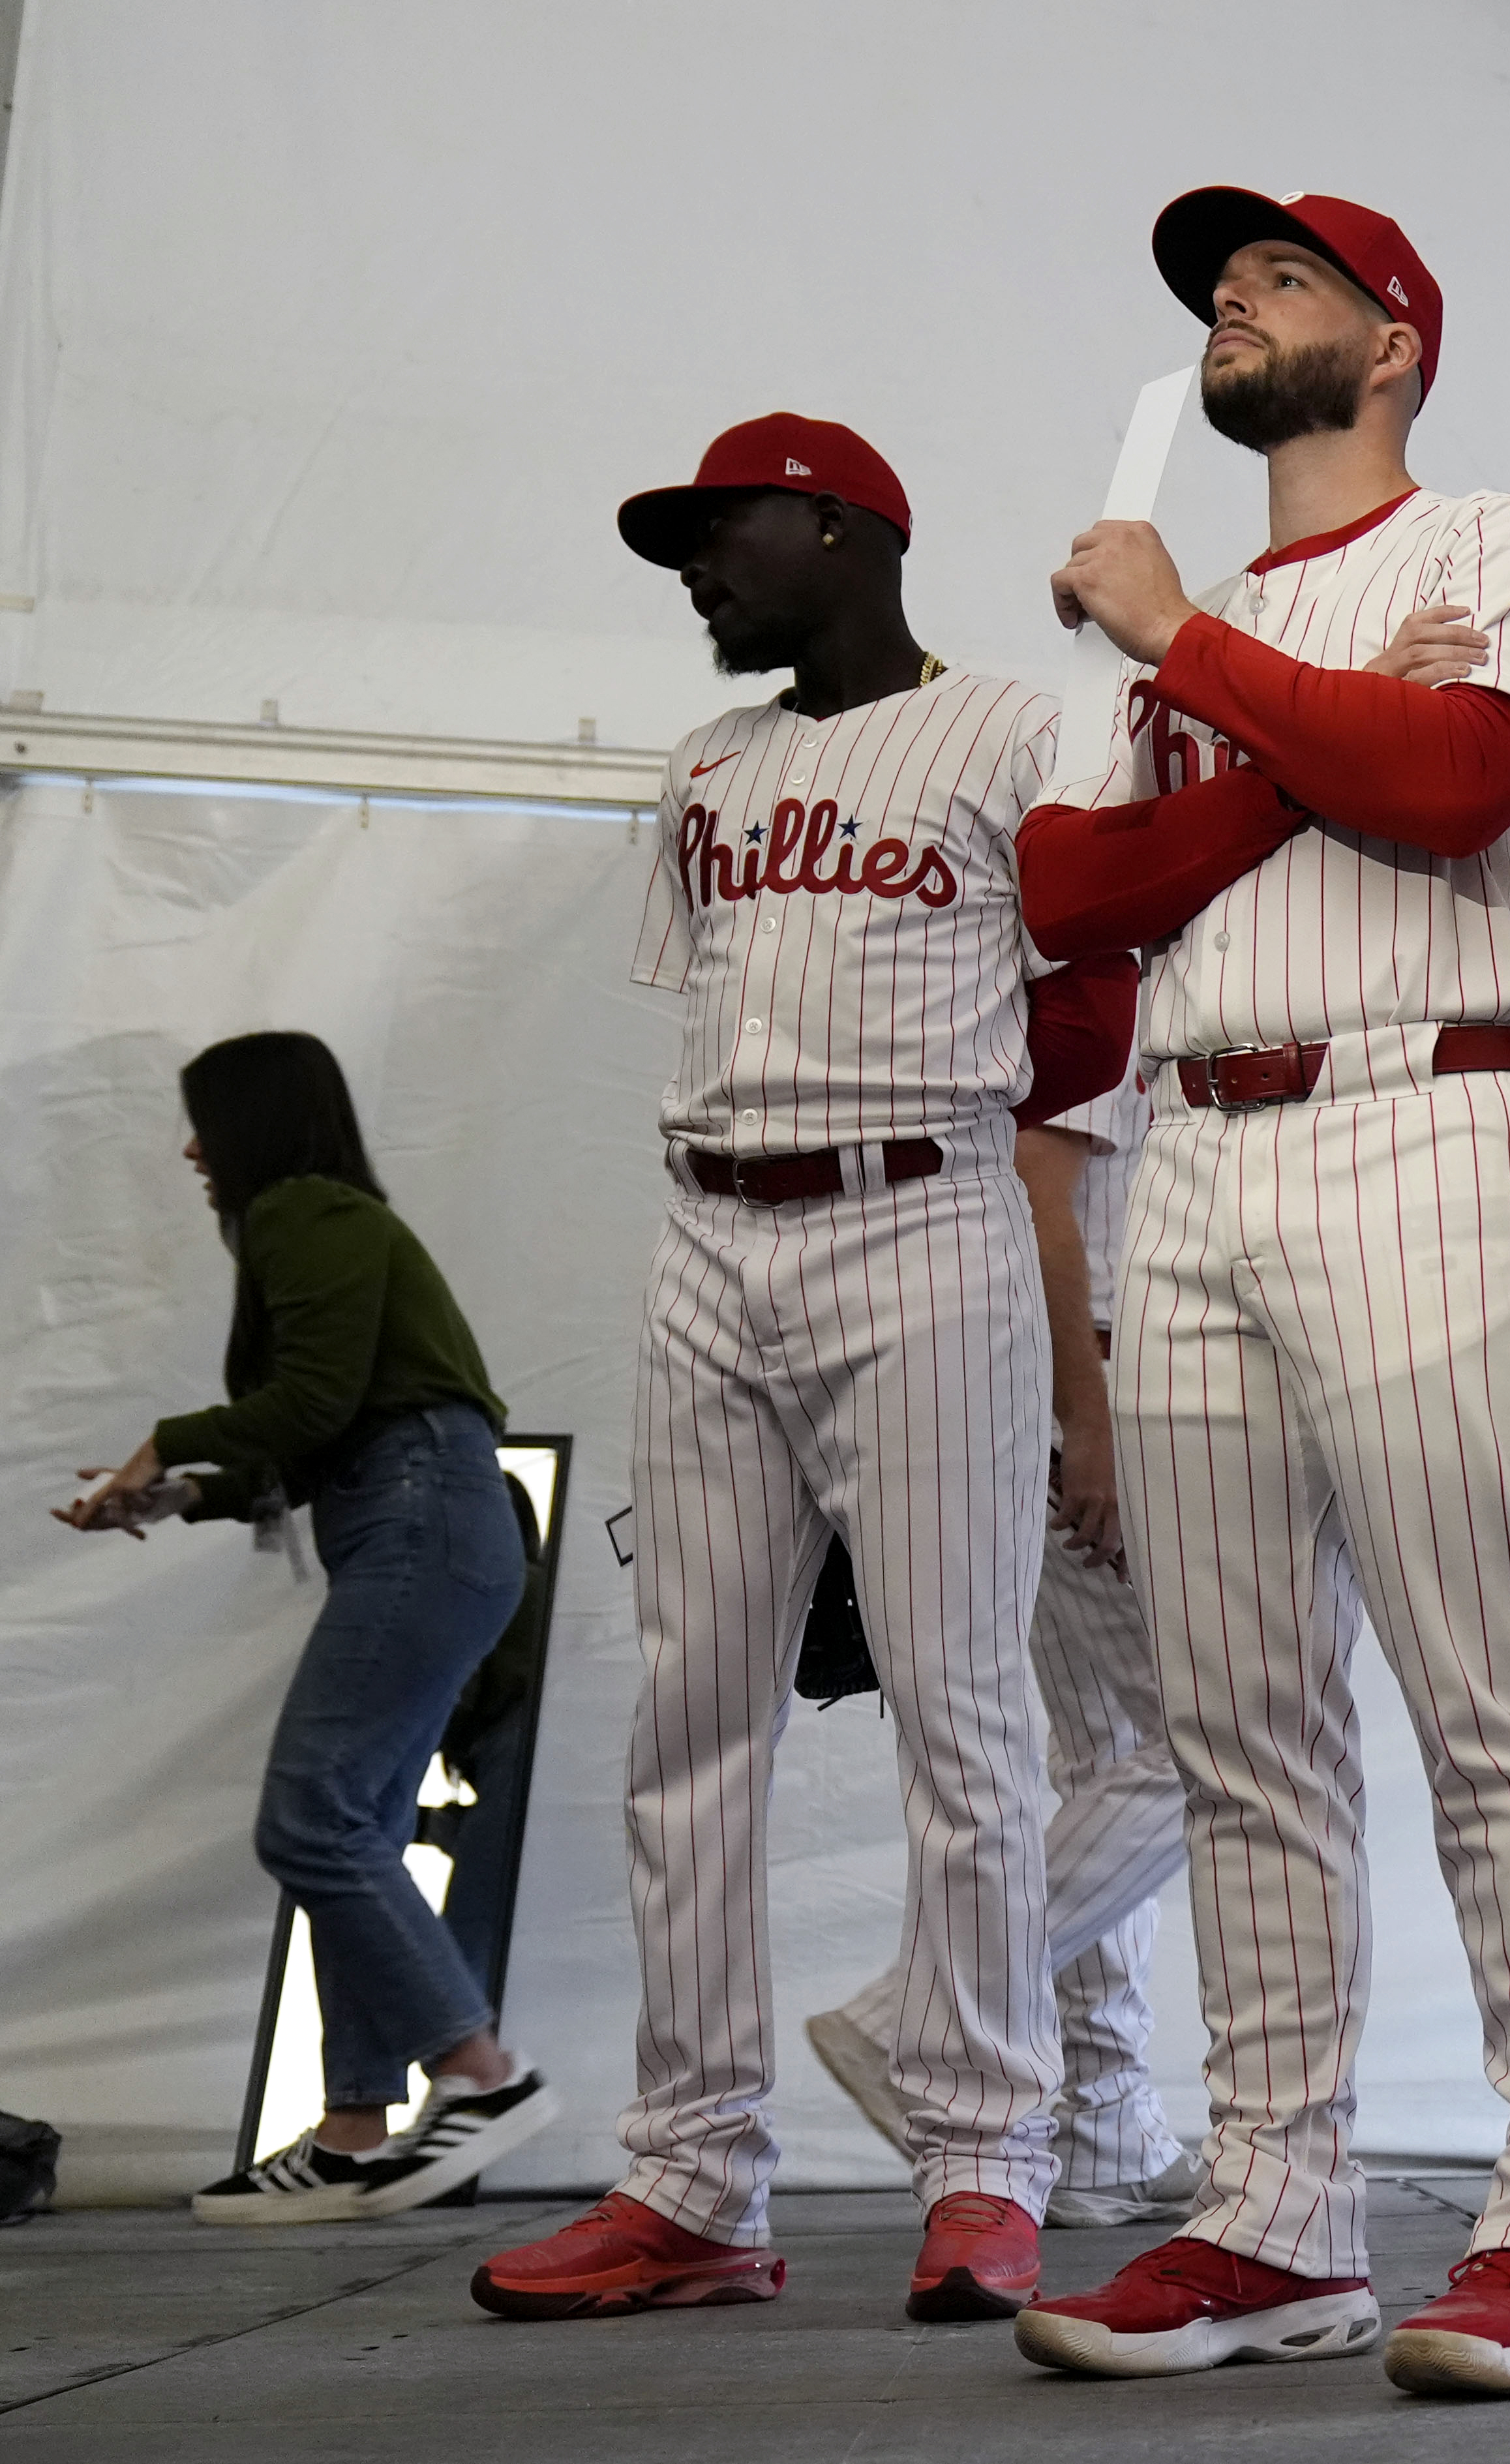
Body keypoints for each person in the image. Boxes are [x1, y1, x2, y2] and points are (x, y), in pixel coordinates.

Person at [1012, 185, 1510, 2401]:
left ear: (1390, 344)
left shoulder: (1490, 537)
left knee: (1485, 1688)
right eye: (1222, 279)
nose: (1230, 298)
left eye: (1282, 278)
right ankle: (1277, 2206)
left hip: (1428, 1109)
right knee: (1235, 1715)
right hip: (1194, 1141)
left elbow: (1461, 787)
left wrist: (1197, 657)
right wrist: (1293, 735)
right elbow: (1065, 894)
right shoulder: (1204, 626)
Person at [470, 415, 1135, 2326]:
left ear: (839, 528)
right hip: (708, 1226)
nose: (694, 565)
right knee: (693, 1711)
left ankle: (989, 2160)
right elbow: (713, 998)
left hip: (923, 1214)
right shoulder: (705, 765)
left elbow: (1093, 994)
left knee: (959, 1706)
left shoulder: (1018, 724)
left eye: (720, 529)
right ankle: (690, 2176)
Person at [58, 1032, 551, 2223]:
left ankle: (481, 2075)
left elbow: (317, 1403)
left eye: (203, 1124)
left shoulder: (302, 1211)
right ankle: (349, 2126)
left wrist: (170, 1442)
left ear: (256, 1124)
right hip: (426, 1513)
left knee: (312, 1813)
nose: (190, 1150)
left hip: (422, 1514)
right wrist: (181, 1491)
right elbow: (332, 1427)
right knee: (361, 1819)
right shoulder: (318, 1217)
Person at [804, 1070, 1200, 2230]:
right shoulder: (1113, 998)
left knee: (1115, 1757)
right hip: (1103, 1386)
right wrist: (1088, 1420)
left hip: (1072, 1382)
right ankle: (922, 2015)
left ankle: (1104, 2119)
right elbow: (1040, 1189)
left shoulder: (1115, 995)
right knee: (1205, 1745)